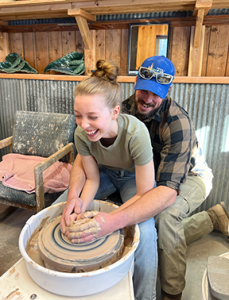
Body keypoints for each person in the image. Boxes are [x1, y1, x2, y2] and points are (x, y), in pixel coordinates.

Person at [56, 56, 229, 300]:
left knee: (165, 218)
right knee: (145, 221)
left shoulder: (178, 122)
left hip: (188, 176)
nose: (148, 99)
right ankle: (214, 218)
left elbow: (167, 190)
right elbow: (85, 157)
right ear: (136, 83)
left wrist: (112, 221)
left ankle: (171, 293)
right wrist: (74, 195)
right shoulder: (121, 107)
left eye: (156, 94)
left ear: (167, 91)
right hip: (142, 172)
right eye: (144, 90)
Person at [60, 59, 158, 300]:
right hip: (106, 174)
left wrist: (110, 221)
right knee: (61, 208)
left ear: (115, 112)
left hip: (135, 182)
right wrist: (77, 204)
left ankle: (145, 295)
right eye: (78, 116)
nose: (84, 124)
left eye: (92, 117)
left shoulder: (136, 133)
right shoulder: (81, 134)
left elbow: (145, 193)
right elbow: (91, 180)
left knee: (144, 230)